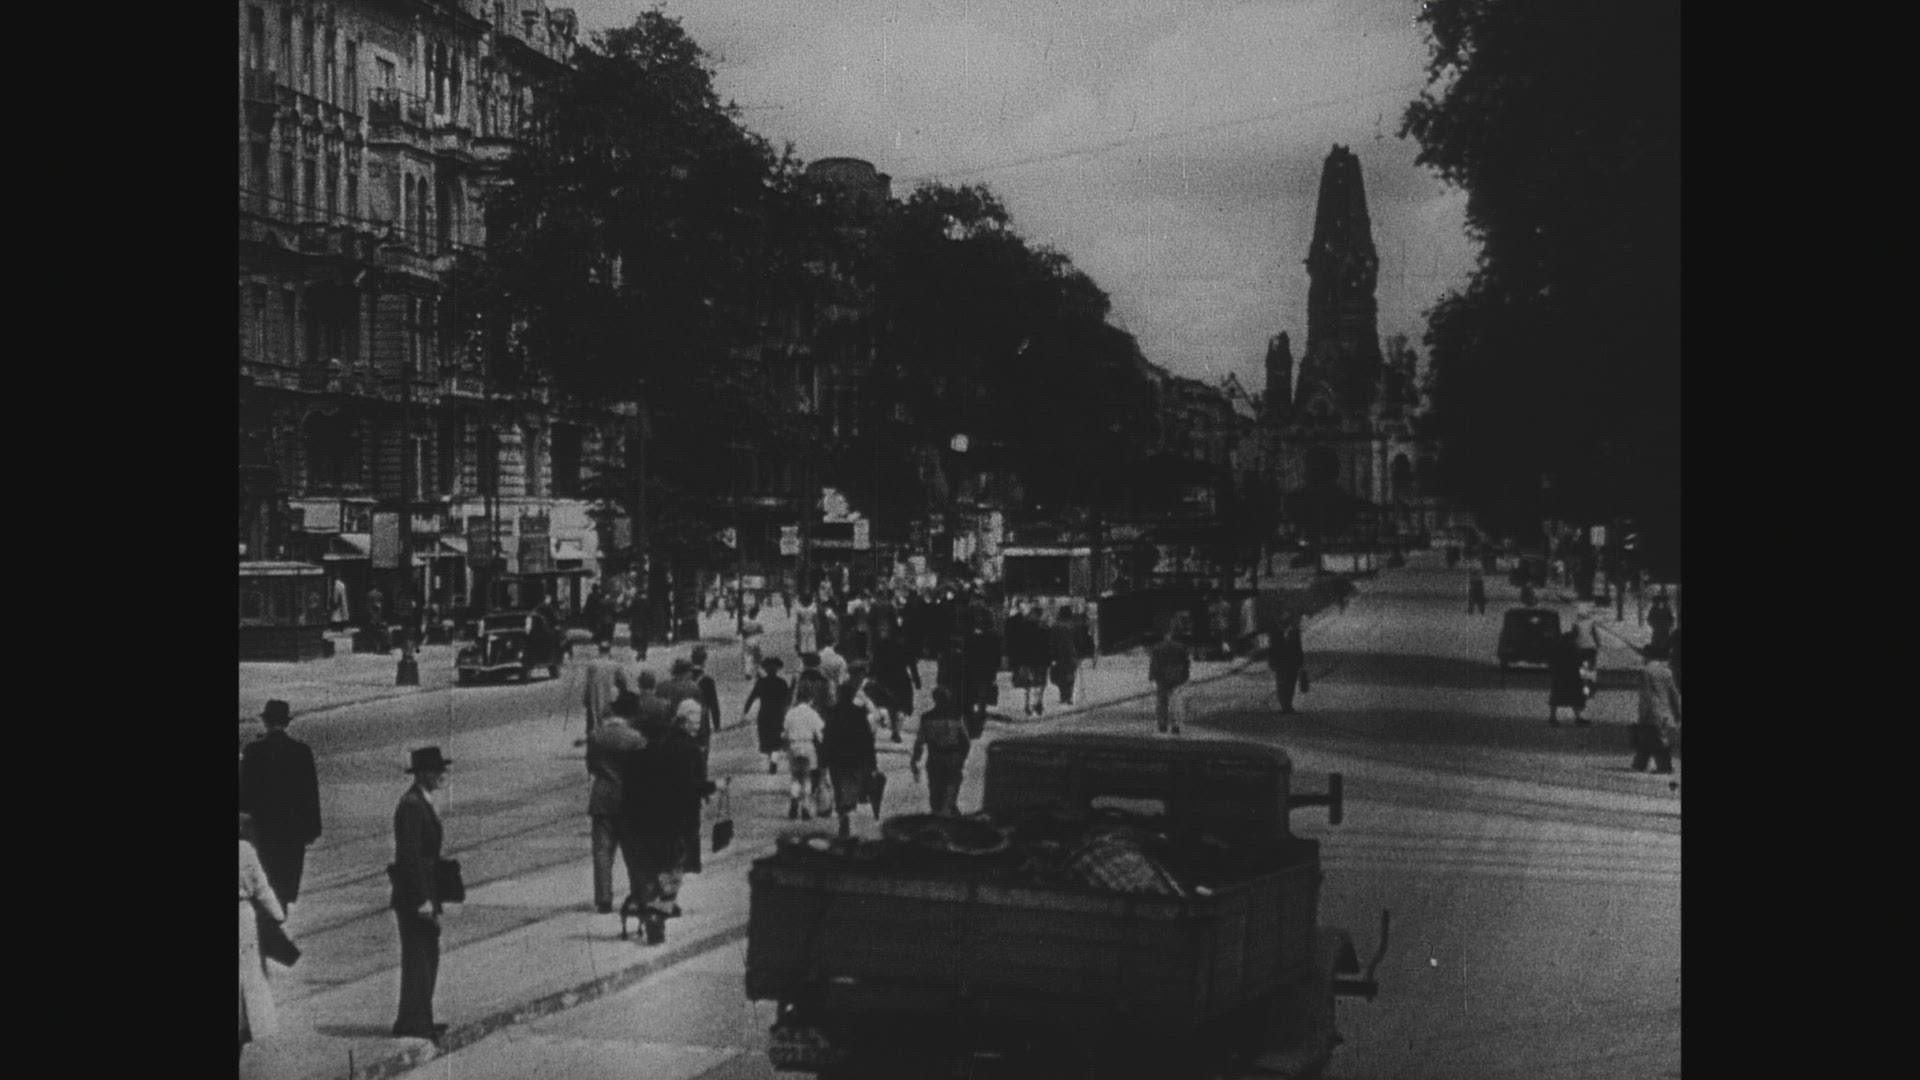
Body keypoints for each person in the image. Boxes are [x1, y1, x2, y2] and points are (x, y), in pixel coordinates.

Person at [619, 701, 707, 946]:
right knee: (672, 871)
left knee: (648, 871)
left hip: (636, 823)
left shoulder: (634, 756)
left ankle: (647, 904)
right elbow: (685, 786)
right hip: (669, 823)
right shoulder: (677, 750)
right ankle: (658, 913)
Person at [390, 747, 452, 1042]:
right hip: (415, 896)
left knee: (427, 955)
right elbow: (410, 857)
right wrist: (422, 900)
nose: (442, 775)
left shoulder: (421, 801)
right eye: (437, 770)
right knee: (419, 958)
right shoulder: (412, 806)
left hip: (426, 891)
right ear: (423, 774)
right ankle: (415, 1022)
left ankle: (417, 1019)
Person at [239, 699, 323, 912]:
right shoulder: (301, 751)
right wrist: (312, 829)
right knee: (286, 884)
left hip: (262, 831)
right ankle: (281, 915)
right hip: (292, 833)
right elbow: (310, 793)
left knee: (264, 884)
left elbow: (244, 796)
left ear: (266, 722)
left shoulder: (253, 751)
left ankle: (270, 924)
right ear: (286, 722)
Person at [586, 694, 648, 914]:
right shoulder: (636, 739)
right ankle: (638, 894)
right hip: (629, 798)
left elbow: (591, 766)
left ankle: (603, 898)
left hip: (602, 796)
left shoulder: (596, 736)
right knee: (633, 851)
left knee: (602, 851)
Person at [239, 813, 287, 1064]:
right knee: (248, 981)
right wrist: (278, 917)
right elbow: (262, 888)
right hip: (243, 918)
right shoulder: (245, 850)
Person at [821, 680, 879, 839]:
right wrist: (872, 761)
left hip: (836, 757)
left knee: (838, 785)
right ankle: (848, 808)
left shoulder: (832, 712)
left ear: (839, 694)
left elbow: (827, 736)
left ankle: (842, 812)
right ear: (853, 695)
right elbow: (867, 738)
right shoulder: (859, 713)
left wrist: (823, 758)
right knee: (853, 784)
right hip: (855, 757)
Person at [911, 687, 972, 817]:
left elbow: (920, 742)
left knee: (937, 790)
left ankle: (940, 813)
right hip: (951, 757)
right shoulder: (956, 716)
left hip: (936, 757)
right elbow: (965, 741)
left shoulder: (927, 717)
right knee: (950, 789)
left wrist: (915, 759)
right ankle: (947, 813)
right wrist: (962, 758)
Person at [782, 681, 828, 821]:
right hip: (808, 746)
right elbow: (820, 734)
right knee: (807, 777)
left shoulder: (790, 713)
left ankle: (794, 799)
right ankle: (805, 807)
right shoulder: (813, 714)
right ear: (810, 699)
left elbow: (785, 732)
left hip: (794, 746)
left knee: (795, 776)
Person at [1632, 647, 1681, 774]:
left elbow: (1646, 694)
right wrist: (1677, 713)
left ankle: (1665, 767)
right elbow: (1673, 693)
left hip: (1651, 710)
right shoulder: (1666, 672)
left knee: (1657, 739)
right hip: (1664, 710)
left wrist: (1643, 713)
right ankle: (1640, 763)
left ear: (1647, 656)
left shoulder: (1645, 671)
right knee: (1648, 737)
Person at [871, 624, 922, 743]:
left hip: (885, 678)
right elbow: (912, 665)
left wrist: (873, 675)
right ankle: (896, 731)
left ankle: (893, 729)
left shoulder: (882, 645)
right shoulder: (905, 647)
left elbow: (875, 662)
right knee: (900, 707)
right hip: (900, 679)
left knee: (889, 705)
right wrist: (916, 680)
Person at [746, 657, 793, 775]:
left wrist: (746, 710)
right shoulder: (781, 682)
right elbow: (788, 700)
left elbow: (752, 697)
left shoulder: (761, 682)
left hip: (765, 714)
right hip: (778, 715)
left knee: (766, 739)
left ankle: (771, 759)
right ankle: (773, 761)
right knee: (777, 741)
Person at [1147, 627, 1193, 735]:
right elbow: (1186, 663)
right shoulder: (1181, 647)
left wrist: (1152, 676)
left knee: (1162, 701)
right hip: (1177, 677)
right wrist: (1185, 676)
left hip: (1162, 678)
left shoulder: (1157, 648)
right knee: (1176, 701)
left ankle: (1163, 724)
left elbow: (1154, 663)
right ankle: (1175, 725)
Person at [580, 654, 629, 744]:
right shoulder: (616, 665)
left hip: (595, 698)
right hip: (611, 699)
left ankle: (594, 740)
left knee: (594, 721)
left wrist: (586, 699)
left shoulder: (592, 665)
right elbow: (623, 683)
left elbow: (588, 685)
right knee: (610, 721)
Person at [1546, 630, 1590, 726]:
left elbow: (1551, 661)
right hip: (1570, 674)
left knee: (1557, 696)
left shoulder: (1557, 646)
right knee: (1574, 696)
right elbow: (1579, 661)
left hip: (1560, 674)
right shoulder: (1572, 647)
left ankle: (1553, 717)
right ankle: (1576, 718)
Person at [1267, 615, 1307, 715]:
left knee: (1290, 684)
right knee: (1281, 684)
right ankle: (1284, 705)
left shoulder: (1294, 632)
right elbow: (1271, 649)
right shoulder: (1275, 633)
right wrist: (1272, 662)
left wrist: (1300, 663)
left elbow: (1298, 648)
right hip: (1280, 662)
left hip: (1292, 663)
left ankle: (1287, 705)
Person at [1048, 606, 1081, 707]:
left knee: (1060, 675)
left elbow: (1052, 642)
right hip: (1071, 654)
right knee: (1070, 675)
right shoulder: (1073, 626)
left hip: (1059, 655)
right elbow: (1078, 641)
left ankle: (1064, 696)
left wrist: (1052, 655)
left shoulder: (1055, 627)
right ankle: (1069, 696)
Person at [740, 604, 765, 681]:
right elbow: (761, 631)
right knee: (757, 658)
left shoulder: (744, 620)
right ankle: (758, 672)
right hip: (755, 640)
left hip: (748, 640)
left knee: (748, 657)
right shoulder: (758, 621)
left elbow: (743, 632)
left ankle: (748, 673)